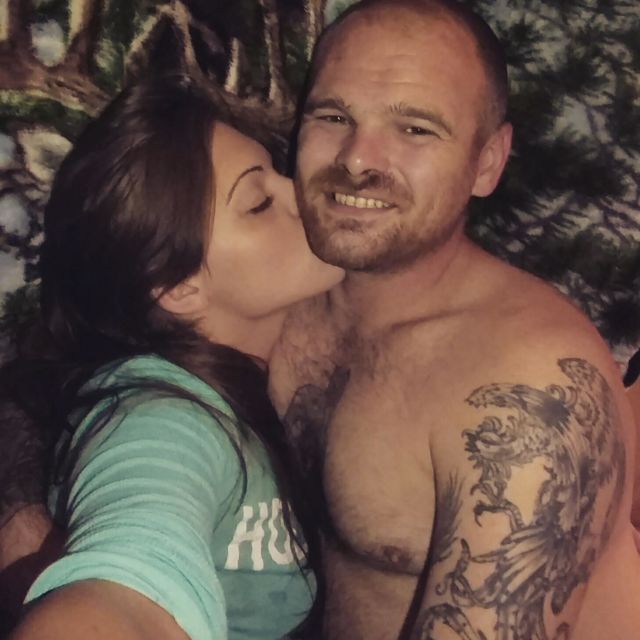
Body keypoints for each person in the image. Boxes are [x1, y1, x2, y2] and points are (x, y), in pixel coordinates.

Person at [268, 0, 640, 638]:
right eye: (333, 117)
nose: (356, 159)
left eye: (414, 129)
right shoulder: (272, 301)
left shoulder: (527, 387)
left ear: (487, 162)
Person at [4, 74, 343, 640]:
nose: (300, 192)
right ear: (180, 287)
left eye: (279, 173)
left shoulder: (253, 375)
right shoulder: (161, 417)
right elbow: (126, 583)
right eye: (259, 203)